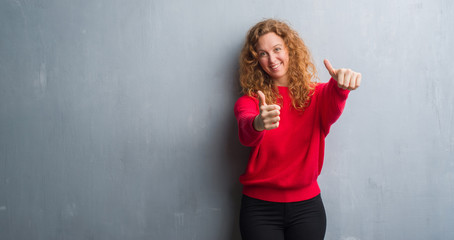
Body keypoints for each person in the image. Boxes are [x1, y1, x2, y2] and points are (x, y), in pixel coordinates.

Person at [233, 19, 362, 240]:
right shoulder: (251, 101)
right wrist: (258, 123)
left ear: (290, 49)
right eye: (263, 54)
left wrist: (342, 85)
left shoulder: (319, 95)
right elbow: (246, 128)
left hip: (307, 210)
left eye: (277, 49)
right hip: (259, 210)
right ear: (256, 61)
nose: (272, 59)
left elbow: (334, 101)